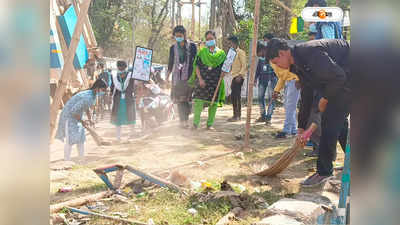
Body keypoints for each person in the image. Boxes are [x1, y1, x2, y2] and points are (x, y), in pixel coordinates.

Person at [265, 38, 350, 186]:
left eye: (276, 62)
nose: (277, 66)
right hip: (339, 79)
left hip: (353, 74)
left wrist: (325, 98)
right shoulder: (297, 64)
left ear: (282, 53)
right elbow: (307, 95)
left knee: (329, 121)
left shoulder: (310, 53)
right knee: (339, 123)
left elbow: (339, 77)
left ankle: (324, 172)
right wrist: (301, 127)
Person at [55, 79, 107, 161]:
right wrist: (82, 121)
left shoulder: (93, 95)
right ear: (97, 88)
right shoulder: (87, 96)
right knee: (70, 140)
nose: (103, 92)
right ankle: (66, 160)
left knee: (80, 138)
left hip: (77, 116)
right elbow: (73, 111)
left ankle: (81, 158)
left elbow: (86, 107)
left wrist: (90, 119)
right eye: (103, 90)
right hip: (68, 116)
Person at [188, 30, 226, 130]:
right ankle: (195, 124)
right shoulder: (202, 52)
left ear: (215, 39)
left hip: (215, 83)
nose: (209, 41)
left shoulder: (222, 54)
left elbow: (225, 68)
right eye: (207, 39)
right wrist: (200, 79)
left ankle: (209, 125)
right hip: (202, 82)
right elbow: (196, 66)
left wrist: (224, 73)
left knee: (213, 105)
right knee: (198, 102)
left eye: (211, 39)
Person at [166, 25, 197, 128]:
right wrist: (167, 76)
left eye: (180, 35)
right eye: (176, 36)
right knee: (179, 100)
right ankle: (181, 121)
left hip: (189, 76)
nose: (178, 37)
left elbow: (196, 62)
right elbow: (170, 63)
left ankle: (186, 120)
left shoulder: (192, 47)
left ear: (184, 35)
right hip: (177, 77)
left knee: (187, 99)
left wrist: (196, 76)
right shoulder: (172, 48)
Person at [270, 62, 301, 138]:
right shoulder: (275, 62)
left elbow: (298, 66)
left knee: (290, 107)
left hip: (295, 82)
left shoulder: (285, 57)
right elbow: (282, 77)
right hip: (288, 82)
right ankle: (293, 129)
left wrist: (298, 79)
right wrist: (276, 90)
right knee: (288, 107)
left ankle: (286, 131)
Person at [110, 60, 137, 141]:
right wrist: (110, 95)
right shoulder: (115, 76)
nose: (120, 68)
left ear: (125, 67)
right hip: (118, 100)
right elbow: (112, 88)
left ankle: (132, 135)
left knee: (130, 117)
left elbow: (134, 86)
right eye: (119, 67)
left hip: (128, 99)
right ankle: (118, 137)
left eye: (121, 67)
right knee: (118, 119)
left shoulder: (131, 76)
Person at [254, 43, 277, 124]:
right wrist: (255, 78)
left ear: (262, 50)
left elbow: (277, 69)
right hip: (262, 80)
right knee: (260, 97)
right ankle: (263, 115)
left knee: (272, 98)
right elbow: (258, 68)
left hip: (272, 79)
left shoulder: (272, 56)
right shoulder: (261, 59)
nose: (258, 55)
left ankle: (268, 117)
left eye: (258, 53)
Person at [226, 35, 247, 122]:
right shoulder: (232, 53)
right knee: (234, 96)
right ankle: (235, 115)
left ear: (234, 43)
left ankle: (237, 116)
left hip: (238, 77)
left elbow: (244, 65)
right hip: (234, 76)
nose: (229, 45)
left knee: (236, 96)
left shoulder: (240, 52)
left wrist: (240, 75)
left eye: (230, 43)